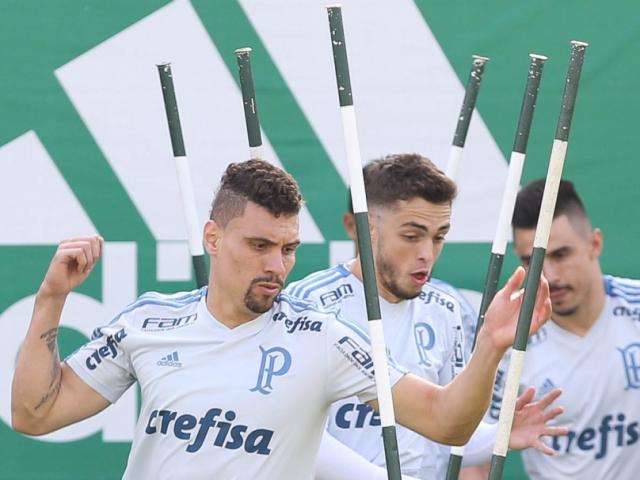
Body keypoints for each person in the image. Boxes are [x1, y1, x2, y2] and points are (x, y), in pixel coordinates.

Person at [11, 160, 551, 480]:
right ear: (213, 238)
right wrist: (51, 298)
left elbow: (444, 420)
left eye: (289, 248)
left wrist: (491, 347)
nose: (277, 265)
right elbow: (34, 414)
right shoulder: (148, 324)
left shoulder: (324, 338)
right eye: (260, 245)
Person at [287, 154, 565, 479]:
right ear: (363, 228)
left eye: (439, 236)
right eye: (411, 236)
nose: (427, 253)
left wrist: (497, 435)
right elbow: (296, 438)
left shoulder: (445, 310)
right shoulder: (307, 304)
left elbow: (448, 432)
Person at [507, 179, 640, 480]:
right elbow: (476, 452)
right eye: (532, 261)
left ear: (595, 244)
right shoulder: (508, 343)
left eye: (561, 255)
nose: (549, 276)